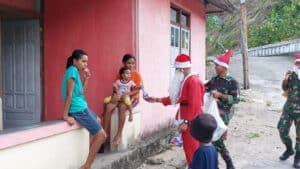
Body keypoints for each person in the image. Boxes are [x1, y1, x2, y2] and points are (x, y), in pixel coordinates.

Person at [146, 54, 205, 166]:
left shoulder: (192, 81)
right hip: (188, 122)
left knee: (192, 152)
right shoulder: (186, 81)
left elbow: (195, 105)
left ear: (181, 68)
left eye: (177, 69)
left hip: (191, 123)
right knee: (190, 151)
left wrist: (187, 122)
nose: (176, 72)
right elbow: (176, 98)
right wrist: (156, 100)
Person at [62, 49, 107, 169]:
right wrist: (66, 115)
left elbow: (81, 92)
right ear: (75, 60)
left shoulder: (75, 71)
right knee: (102, 135)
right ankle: (87, 165)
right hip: (77, 109)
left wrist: (86, 78)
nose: (85, 64)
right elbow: (69, 94)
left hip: (82, 106)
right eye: (83, 61)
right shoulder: (72, 71)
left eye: (86, 62)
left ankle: (88, 156)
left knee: (97, 120)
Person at [205, 49, 240, 169]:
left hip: (224, 114)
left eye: (217, 65)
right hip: (212, 113)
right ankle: (222, 164)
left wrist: (221, 96)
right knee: (213, 138)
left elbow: (236, 99)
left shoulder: (232, 82)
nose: (215, 66)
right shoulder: (214, 80)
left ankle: (227, 163)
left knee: (216, 139)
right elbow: (205, 88)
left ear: (224, 67)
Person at [103, 54, 143, 145]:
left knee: (121, 107)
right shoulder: (120, 74)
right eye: (129, 63)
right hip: (120, 97)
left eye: (133, 63)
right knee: (108, 107)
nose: (131, 65)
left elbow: (137, 91)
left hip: (132, 98)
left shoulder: (137, 75)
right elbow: (116, 87)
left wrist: (127, 94)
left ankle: (119, 134)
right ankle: (104, 133)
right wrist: (115, 95)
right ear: (124, 63)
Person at [278, 53, 300, 168]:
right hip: (289, 108)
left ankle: (298, 156)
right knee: (282, 128)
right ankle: (289, 149)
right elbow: (284, 89)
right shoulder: (291, 75)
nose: (299, 65)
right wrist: (285, 79)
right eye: (297, 63)